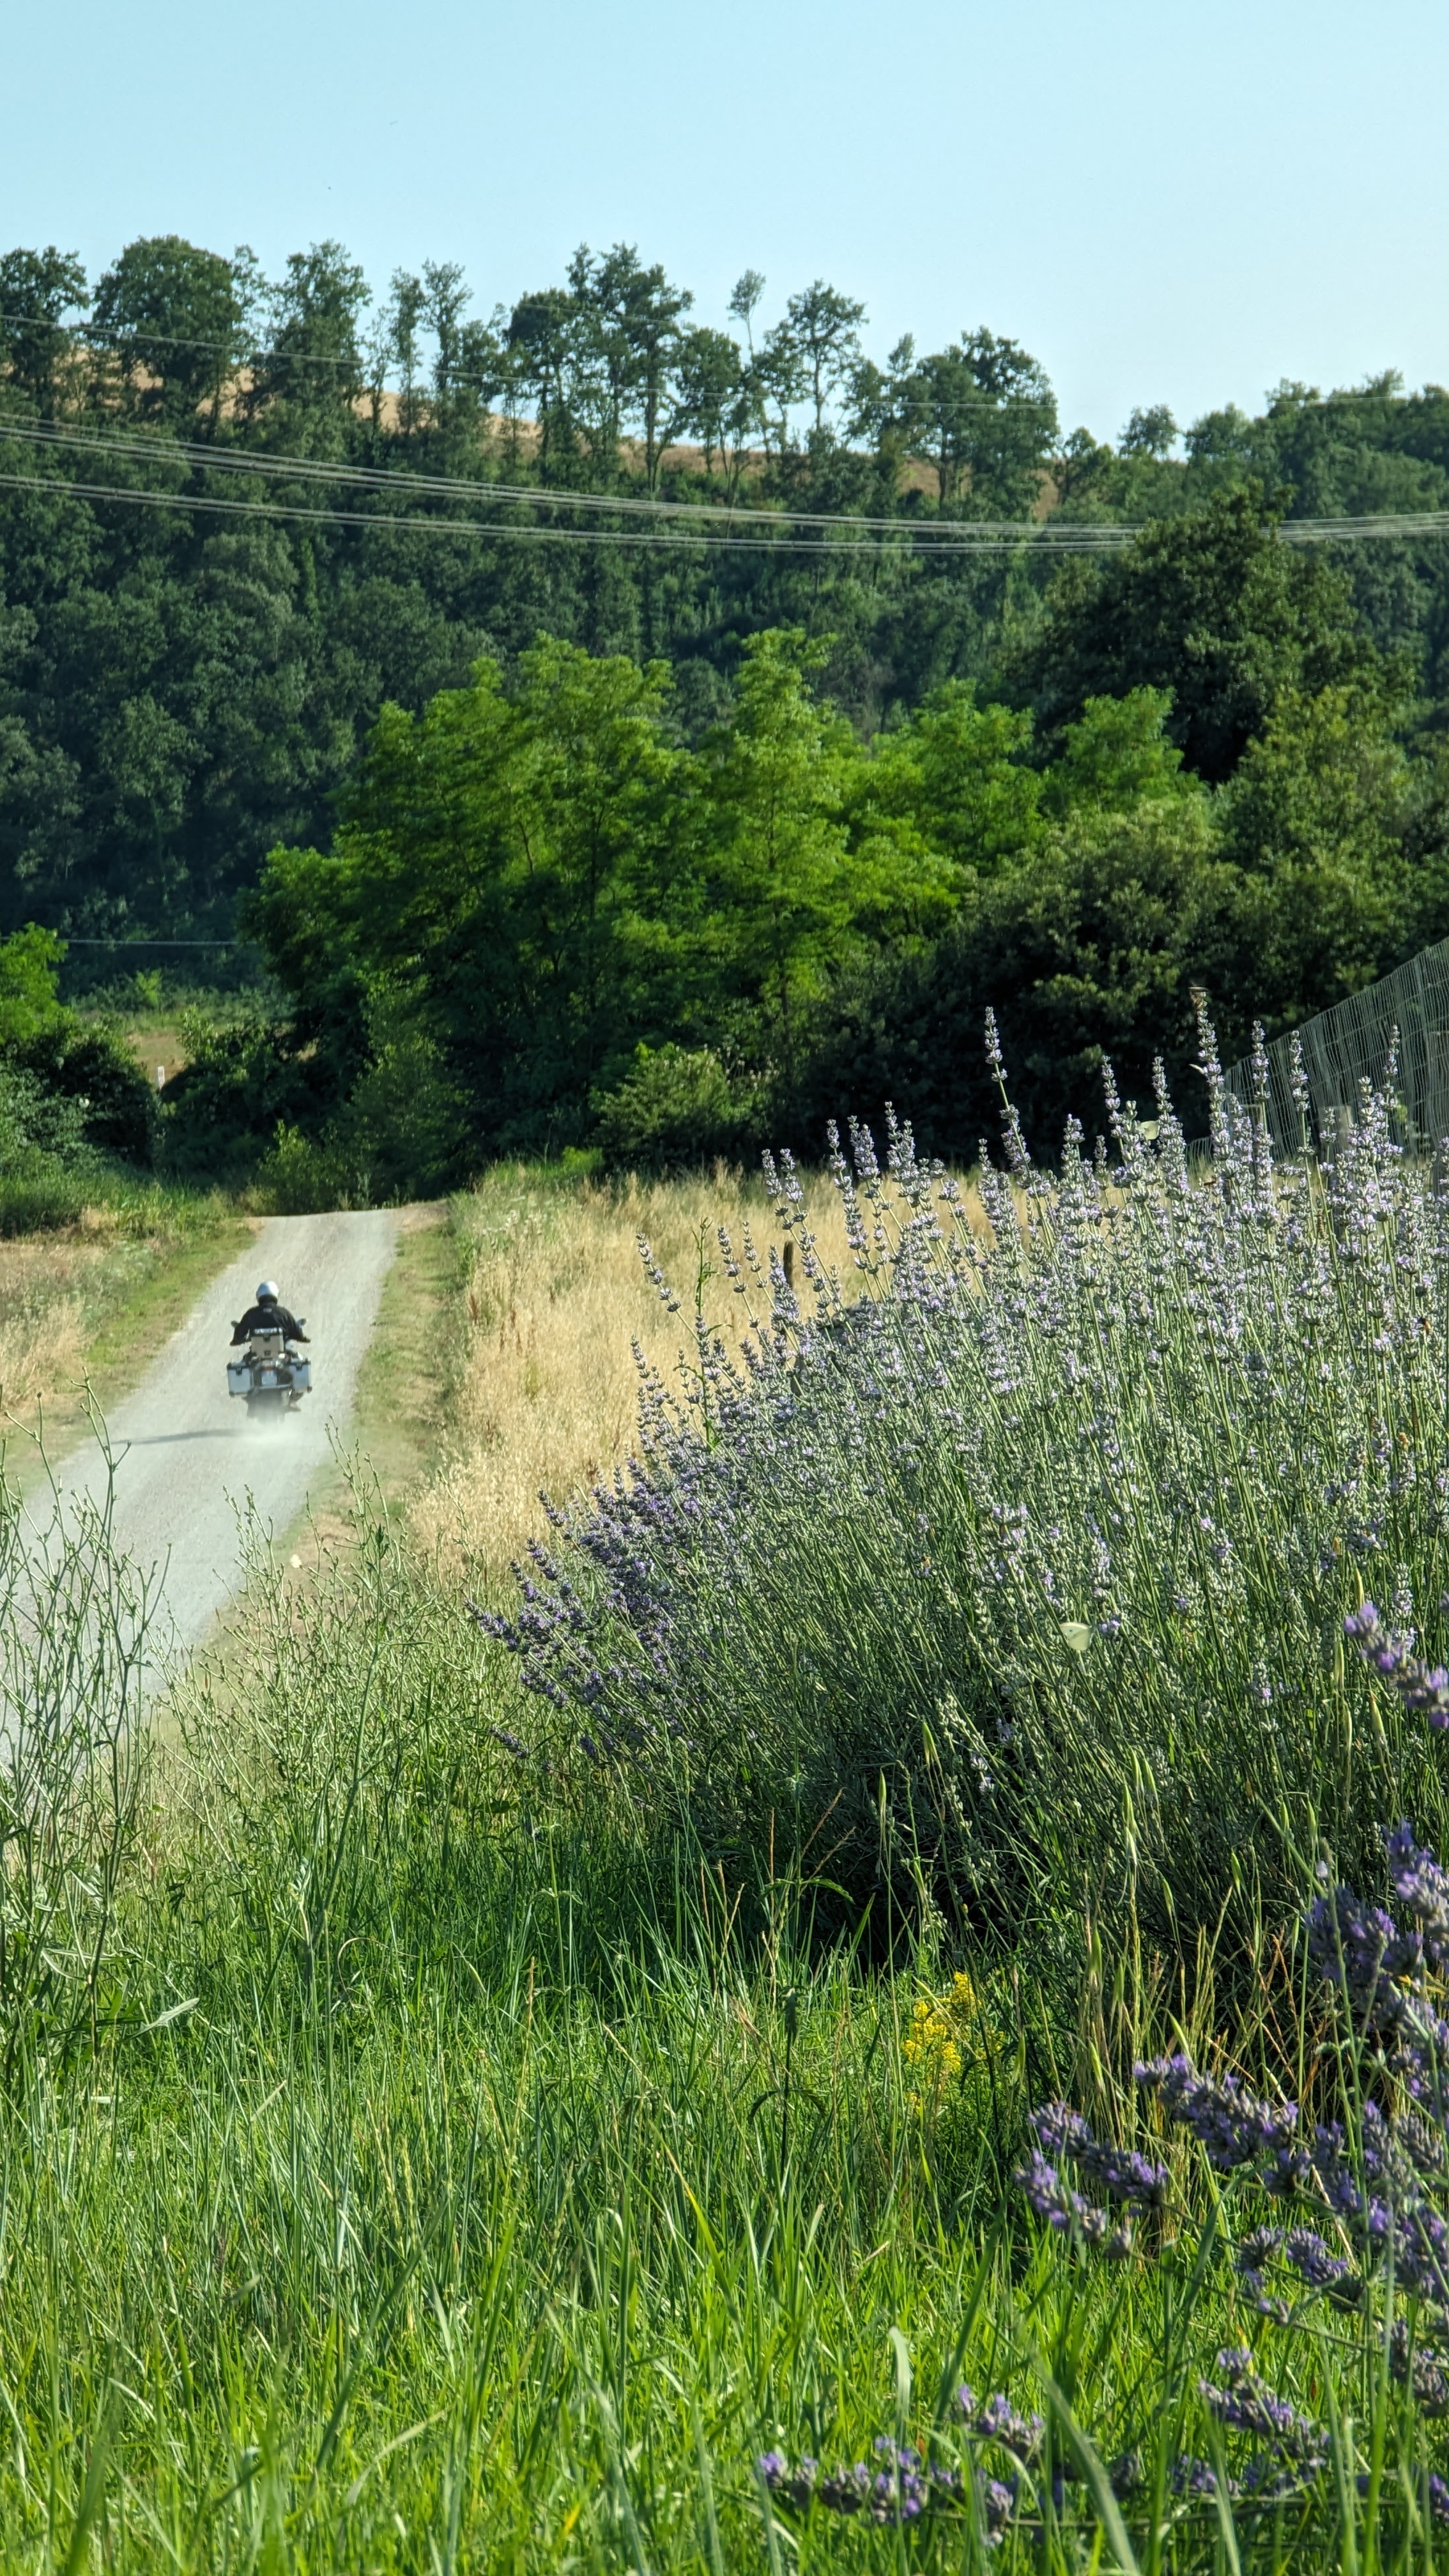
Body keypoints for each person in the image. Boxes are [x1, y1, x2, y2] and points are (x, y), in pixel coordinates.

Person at [231, 1281, 308, 1346]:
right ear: (276, 1294)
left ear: (258, 1295)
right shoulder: (283, 1313)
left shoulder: (251, 1313)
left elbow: (241, 1331)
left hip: (257, 1354)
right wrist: (302, 1338)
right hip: (281, 1353)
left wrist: (237, 1341)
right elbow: (295, 1330)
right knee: (298, 1357)